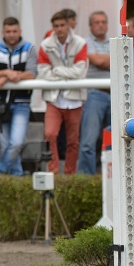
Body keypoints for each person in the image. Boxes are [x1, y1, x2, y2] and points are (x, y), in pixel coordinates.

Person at [38, 10, 88, 174]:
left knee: (73, 141)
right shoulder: (45, 44)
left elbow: (80, 72)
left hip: (74, 99)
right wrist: (67, 73)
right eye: (56, 26)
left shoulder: (80, 43)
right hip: (54, 98)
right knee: (50, 134)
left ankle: (69, 174)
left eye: (62, 25)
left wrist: (56, 70)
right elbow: (43, 72)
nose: (59, 29)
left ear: (69, 25)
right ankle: (53, 172)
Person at [0, 17, 37, 176]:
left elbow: (31, 74)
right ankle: (17, 179)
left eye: (14, 31)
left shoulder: (29, 48)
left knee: (16, 143)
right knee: (5, 145)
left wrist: (7, 77)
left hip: (21, 103)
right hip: (0, 104)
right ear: (3, 32)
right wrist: (7, 73)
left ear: (20, 31)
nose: (11, 34)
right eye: (8, 31)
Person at [77, 11, 111, 175]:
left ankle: (114, 176)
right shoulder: (84, 43)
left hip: (115, 93)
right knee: (88, 141)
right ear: (90, 26)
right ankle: (86, 179)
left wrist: (101, 59)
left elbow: (125, 61)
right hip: (94, 94)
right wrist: (111, 59)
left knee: (118, 139)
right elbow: (96, 61)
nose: (100, 25)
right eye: (97, 22)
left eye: (103, 22)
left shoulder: (114, 41)